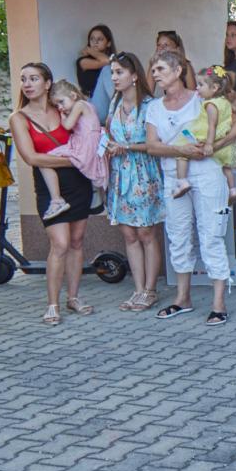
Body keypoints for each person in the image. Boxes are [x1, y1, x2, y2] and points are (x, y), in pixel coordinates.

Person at [145, 51, 236, 326]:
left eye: (161, 69)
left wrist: (213, 147)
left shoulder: (203, 96)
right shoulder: (154, 107)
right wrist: (181, 150)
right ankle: (182, 298)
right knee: (178, 237)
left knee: (211, 236)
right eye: (154, 70)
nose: (156, 74)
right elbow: (152, 146)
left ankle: (219, 303)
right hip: (174, 177)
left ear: (178, 71)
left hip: (207, 174)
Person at [9, 63, 95, 325]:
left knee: (77, 241)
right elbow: (31, 157)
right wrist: (76, 161)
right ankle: (52, 304)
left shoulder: (62, 108)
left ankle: (73, 297)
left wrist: (88, 158)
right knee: (60, 243)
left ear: (47, 84)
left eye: (34, 78)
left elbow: (86, 134)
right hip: (49, 187)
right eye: (24, 79)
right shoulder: (19, 118)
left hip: (78, 184)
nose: (27, 84)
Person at [103, 52, 164, 312]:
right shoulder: (114, 104)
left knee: (146, 233)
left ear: (134, 76)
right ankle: (137, 289)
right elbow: (109, 134)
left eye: (119, 72)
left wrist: (126, 147)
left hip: (143, 173)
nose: (114, 77)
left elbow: (155, 144)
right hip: (120, 174)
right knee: (129, 234)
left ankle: (150, 290)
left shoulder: (151, 106)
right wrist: (107, 145)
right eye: (112, 72)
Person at [42, 79, 108, 220]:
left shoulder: (79, 105)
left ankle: (56, 199)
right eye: (56, 105)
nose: (60, 107)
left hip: (84, 145)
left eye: (61, 102)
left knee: (45, 160)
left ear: (73, 95)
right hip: (90, 144)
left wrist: (62, 117)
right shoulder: (88, 105)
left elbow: (68, 125)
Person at [173, 66, 236, 204]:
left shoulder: (210, 104)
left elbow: (212, 125)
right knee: (226, 167)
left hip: (207, 136)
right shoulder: (225, 102)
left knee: (181, 148)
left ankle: (182, 181)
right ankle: (233, 190)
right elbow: (233, 111)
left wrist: (209, 144)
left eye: (201, 85)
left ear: (214, 88)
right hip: (223, 140)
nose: (197, 88)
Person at [76, 24, 116, 122]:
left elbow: (108, 60)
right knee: (107, 69)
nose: (95, 42)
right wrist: (90, 50)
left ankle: (121, 107)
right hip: (93, 106)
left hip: (108, 106)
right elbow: (106, 61)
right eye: (92, 39)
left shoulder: (116, 62)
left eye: (100, 39)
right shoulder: (83, 61)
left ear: (108, 43)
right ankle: (120, 106)